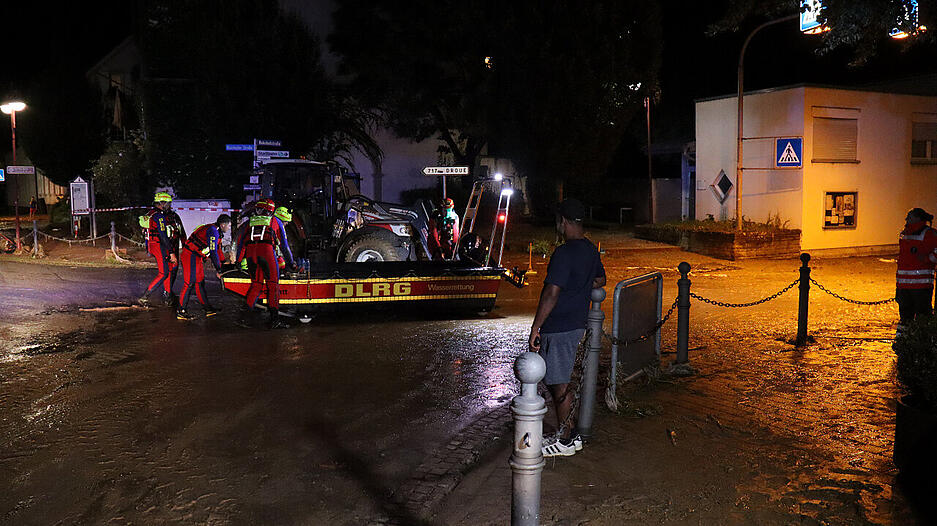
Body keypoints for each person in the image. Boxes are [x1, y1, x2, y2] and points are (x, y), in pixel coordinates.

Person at [528, 198, 605, 458]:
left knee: (558, 384)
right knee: (557, 381)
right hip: (576, 323)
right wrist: (581, 289)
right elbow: (600, 279)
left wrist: (536, 327)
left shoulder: (563, 253)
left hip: (558, 326)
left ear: (563, 221)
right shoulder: (590, 249)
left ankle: (566, 439)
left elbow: (551, 292)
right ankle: (569, 435)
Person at [236, 198, 295, 329]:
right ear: (271, 210)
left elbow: (241, 244)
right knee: (273, 286)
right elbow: (284, 246)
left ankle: (243, 319)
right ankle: (274, 320)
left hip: (251, 256)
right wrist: (291, 263)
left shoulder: (248, 223)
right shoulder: (275, 221)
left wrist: (238, 262)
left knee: (256, 285)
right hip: (266, 254)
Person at [176, 214, 232, 320]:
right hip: (190, 255)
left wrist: (224, 263)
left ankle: (208, 309)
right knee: (189, 283)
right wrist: (219, 269)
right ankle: (181, 311)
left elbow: (218, 249)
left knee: (200, 283)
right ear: (223, 224)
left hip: (196, 257)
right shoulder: (213, 231)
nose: (229, 228)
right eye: (229, 225)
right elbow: (213, 251)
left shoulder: (217, 232)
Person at [896, 207, 937, 330]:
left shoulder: (929, 234)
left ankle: (920, 343)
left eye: (910, 216)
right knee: (905, 317)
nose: (906, 219)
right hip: (904, 285)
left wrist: (927, 259)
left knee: (922, 317)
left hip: (921, 285)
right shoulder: (905, 233)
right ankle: (904, 342)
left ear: (918, 218)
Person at [138, 192, 178, 306]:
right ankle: (145, 296)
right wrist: (171, 252)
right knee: (164, 273)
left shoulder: (151, 213)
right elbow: (163, 235)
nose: (169, 206)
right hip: (158, 245)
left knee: (170, 268)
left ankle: (167, 295)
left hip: (154, 244)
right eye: (168, 204)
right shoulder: (159, 216)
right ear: (162, 203)